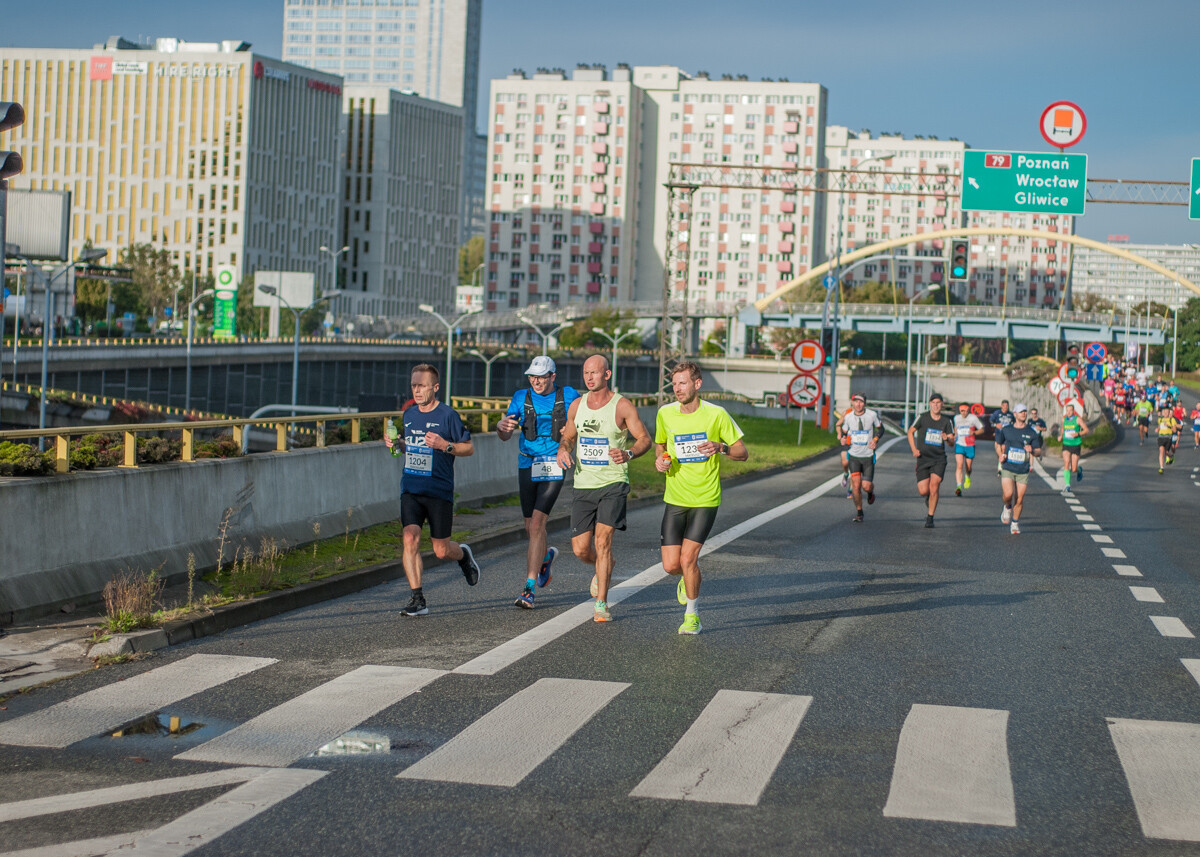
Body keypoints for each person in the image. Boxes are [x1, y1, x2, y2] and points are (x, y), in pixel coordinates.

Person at [556, 354, 652, 623]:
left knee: (603, 541)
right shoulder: (577, 405)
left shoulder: (621, 406)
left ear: (607, 375)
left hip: (613, 482)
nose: (589, 377)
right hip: (584, 483)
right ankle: (605, 564)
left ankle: (601, 604)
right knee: (581, 549)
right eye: (585, 372)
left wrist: (629, 454)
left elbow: (644, 439)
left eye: (594, 373)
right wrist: (562, 451)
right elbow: (568, 436)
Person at [654, 362, 748, 634]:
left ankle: (692, 615)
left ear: (697, 384)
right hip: (675, 496)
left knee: (688, 559)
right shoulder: (665, 414)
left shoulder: (717, 415)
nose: (677, 389)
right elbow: (661, 445)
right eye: (674, 384)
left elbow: (743, 452)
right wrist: (660, 460)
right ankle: (686, 578)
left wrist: (721, 447)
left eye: (683, 383)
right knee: (672, 565)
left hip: (705, 498)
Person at [385, 364, 481, 617]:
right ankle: (418, 598)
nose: (416, 390)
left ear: (435, 387)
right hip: (412, 487)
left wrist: (445, 445)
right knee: (409, 538)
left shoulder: (448, 416)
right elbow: (412, 447)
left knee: (441, 550)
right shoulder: (409, 415)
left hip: (439, 490)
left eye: (422, 385)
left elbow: (468, 448)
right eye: (413, 385)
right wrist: (398, 444)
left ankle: (462, 556)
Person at [497, 355, 581, 609]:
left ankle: (529, 589)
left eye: (542, 377)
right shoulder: (520, 397)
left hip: (555, 463)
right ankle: (544, 559)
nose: (536, 381)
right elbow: (504, 434)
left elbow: (580, 424)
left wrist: (569, 446)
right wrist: (502, 427)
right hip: (527, 462)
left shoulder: (569, 395)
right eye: (532, 376)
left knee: (537, 523)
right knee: (529, 526)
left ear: (552, 377)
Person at [907, 392, 955, 528]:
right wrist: (914, 449)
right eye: (933, 403)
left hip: (939, 459)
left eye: (938, 403)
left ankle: (930, 517)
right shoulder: (922, 417)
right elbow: (910, 432)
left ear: (942, 404)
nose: (936, 405)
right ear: (930, 404)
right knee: (923, 491)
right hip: (923, 458)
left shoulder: (946, 421)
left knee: (935, 485)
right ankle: (929, 498)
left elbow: (952, 442)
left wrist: (947, 439)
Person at [996, 404, 1043, 535]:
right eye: (1021, 412)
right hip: (1008, 467)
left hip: (1023, 469)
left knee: (1019, 499)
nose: (1024, 414)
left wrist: (1032, 450)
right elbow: (998, 444)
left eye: (1025, 412)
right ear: (1015, 414)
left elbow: (1039, 451)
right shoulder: (1007, 430)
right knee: (1008, 494)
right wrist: (1000, 454)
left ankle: (1015, 523)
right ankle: (1007, 506)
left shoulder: (1031, 432)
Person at [836, 392, 884, 521]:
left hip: (868, 456)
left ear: (865, 403)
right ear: (852, 403)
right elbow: (844, 432)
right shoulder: (848, 417)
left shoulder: (872, 415)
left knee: (866, 485)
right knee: (856, 486)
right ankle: (859, 512)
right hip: (854, 456)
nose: (858, 404)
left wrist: (875, 439)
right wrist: (843, 438)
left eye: (861, 402)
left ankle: (870, 493)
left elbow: (881, 429)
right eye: (856, 401)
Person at [952, 401, 984, 496]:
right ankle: (958, 486)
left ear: (968, 410)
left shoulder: (973, 418)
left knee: (968, 467)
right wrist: (955, 435)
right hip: (959, 444)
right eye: (962, 411)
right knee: (959, 465)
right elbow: (956, 427)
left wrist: (974, 433)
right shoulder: (956, 418)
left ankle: (967, 476)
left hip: (970, 445)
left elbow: (982, 429)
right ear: (959, 410)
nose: (964, 413)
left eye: (965, 411)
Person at [1057, 402, 1089, 494]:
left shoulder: (1078, 419)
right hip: (1066, 444)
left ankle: (1079, 470)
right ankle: (1067, 485)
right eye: (1067, 410)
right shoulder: (1064, 419)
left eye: (1070, 410)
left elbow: (1086, 430)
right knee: (1066, 463)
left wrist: (1077, 434)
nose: (1068, 412)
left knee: (1073, 468)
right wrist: (1061, 435)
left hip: (1076, 444)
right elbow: (1063, 428)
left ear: (1073, 411)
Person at [989, 400, 1015, 476]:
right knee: (998, 449)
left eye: (1007, 406)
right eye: (1004, 406)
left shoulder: (1011, 414)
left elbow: (1015, 423)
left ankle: (1001, 466)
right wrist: (995, 425)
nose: (1005, 407)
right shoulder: (997, 413)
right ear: (1001, 406)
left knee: (1004, 449)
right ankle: (1000, 460)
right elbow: (991, 421)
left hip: (1007, 435)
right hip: (999, 433)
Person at [1155, 403, 1179, 473]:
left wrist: (1168, 426)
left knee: (1166, 452)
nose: (1165, 413)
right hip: (1160, 437)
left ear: (1169, 413)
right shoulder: (1160, 419)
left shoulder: (1172, 420)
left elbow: (1174, 430)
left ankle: (1171, 456)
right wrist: (1157, 429)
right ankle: (1161, 467)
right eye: (1164, 412)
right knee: (1161, 451)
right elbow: (1159, 426)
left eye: (1166, 412)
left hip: (1168, 438)